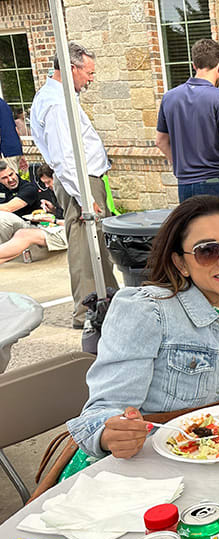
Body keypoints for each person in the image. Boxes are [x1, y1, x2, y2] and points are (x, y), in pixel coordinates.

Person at [65, 195, 219, 470]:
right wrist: (112, 434)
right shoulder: (147, 311)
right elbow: (102, 411)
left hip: (216, 471)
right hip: (136, 469)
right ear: (180, 264)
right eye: (207, 250)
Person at [31, 41, 119, 329]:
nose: (91, 79)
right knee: (84, 247)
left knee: (96, 244)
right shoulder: (57, 103)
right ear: (72, 68)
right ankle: (87, 313)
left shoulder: (59, 98)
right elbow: (64, 157)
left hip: (84, 180)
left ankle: (109, 302)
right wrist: (83, 196)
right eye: (89, 73)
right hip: (78, 183)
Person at [156, 39, 219, 205]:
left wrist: (182, 167)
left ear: (195, 66)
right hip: (218, 184)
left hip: (185, 186)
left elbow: (161, 141)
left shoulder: (169, 98)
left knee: (193, 231)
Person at [0, 98, 26, 174]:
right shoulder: (4, 104)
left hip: (6, 151)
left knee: (10, 181)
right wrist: (21, 151)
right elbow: (15, 129)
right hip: (16, 148)